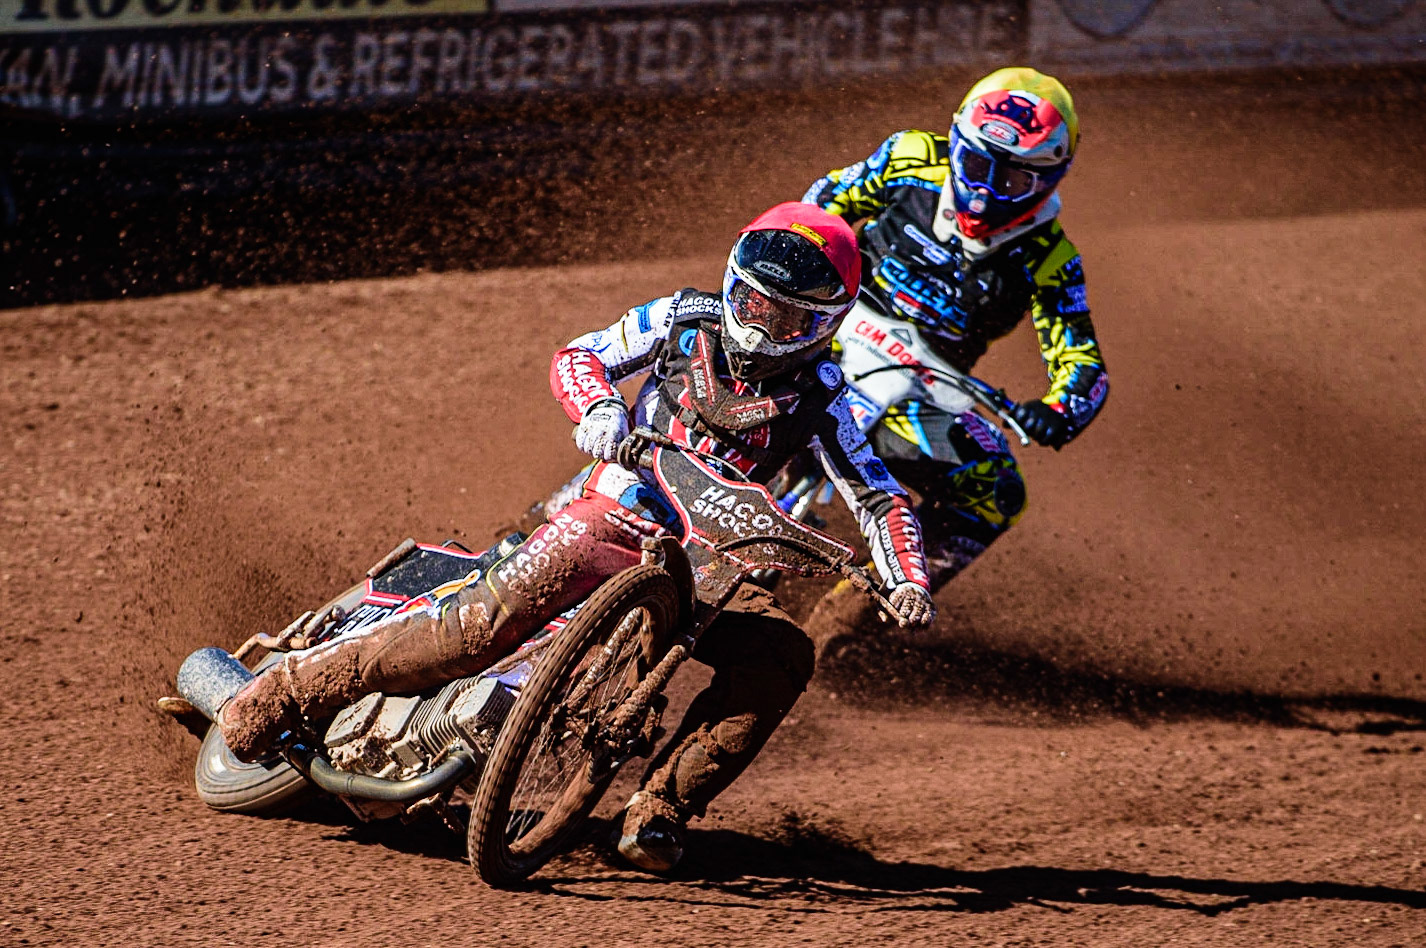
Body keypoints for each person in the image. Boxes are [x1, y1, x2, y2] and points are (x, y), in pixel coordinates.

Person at [212, 202, 936, 872]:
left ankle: (658, 811)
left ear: (825, 323)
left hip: (714, 569)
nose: (760, 325)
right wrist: (597, 411)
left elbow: (880, 495)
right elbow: (581, 353)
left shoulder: (830, 399)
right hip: (615, 510)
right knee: (474, 632)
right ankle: (289, 693)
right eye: (751, 303)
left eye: (785, 319)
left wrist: (906, 577)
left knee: (782, 653)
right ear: (732, 284)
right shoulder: (682, 318)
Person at [798, 66, 1109, 640]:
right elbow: (820, 206)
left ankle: (852, 610)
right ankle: (622, 474)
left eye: (1012, 180)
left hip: (918, 391)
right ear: (956, 143)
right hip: (826, 331)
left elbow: (1085, 367)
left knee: (998, 493)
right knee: (714, 341)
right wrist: (805, 262)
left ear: (1049, 178)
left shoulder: (1049, 257)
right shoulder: (910, 158)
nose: (987, 191)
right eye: (975, 166)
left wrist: (1059, 411)